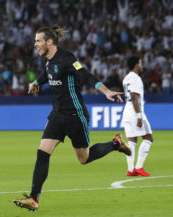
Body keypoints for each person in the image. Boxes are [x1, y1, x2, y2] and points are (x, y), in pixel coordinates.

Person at [13, 25, 131, 212]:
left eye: (38, 41)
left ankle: (115, 143)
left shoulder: (68, 59)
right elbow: (47, 74)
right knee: (42, 152)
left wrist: (106, 91)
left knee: (84, 158)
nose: (35, 44)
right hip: (57, 114)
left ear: (49, 42)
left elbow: (86, 75)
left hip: (75, 115)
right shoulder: (48, 61)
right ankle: (34, 198)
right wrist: (36, 82)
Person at [122, 56, 153, 176]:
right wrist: (139, 116)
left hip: (127, 111)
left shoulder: (126, 78)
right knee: (148, 138)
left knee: (132, 141)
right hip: (135, 112)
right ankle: (139, 167)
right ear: (136, 65)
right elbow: (134, 96)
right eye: (140, 64)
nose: (142, 66)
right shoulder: (136, 78)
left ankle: (130, 169)